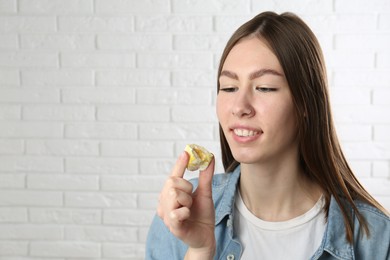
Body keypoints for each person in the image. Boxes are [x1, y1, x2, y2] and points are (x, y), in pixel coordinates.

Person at [145, 11, 390, 260]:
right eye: (229, 87)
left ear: (305, 103)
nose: (239, 106)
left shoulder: (377, 239)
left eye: (264, 88)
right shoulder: (181, 211)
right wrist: (199, 251)